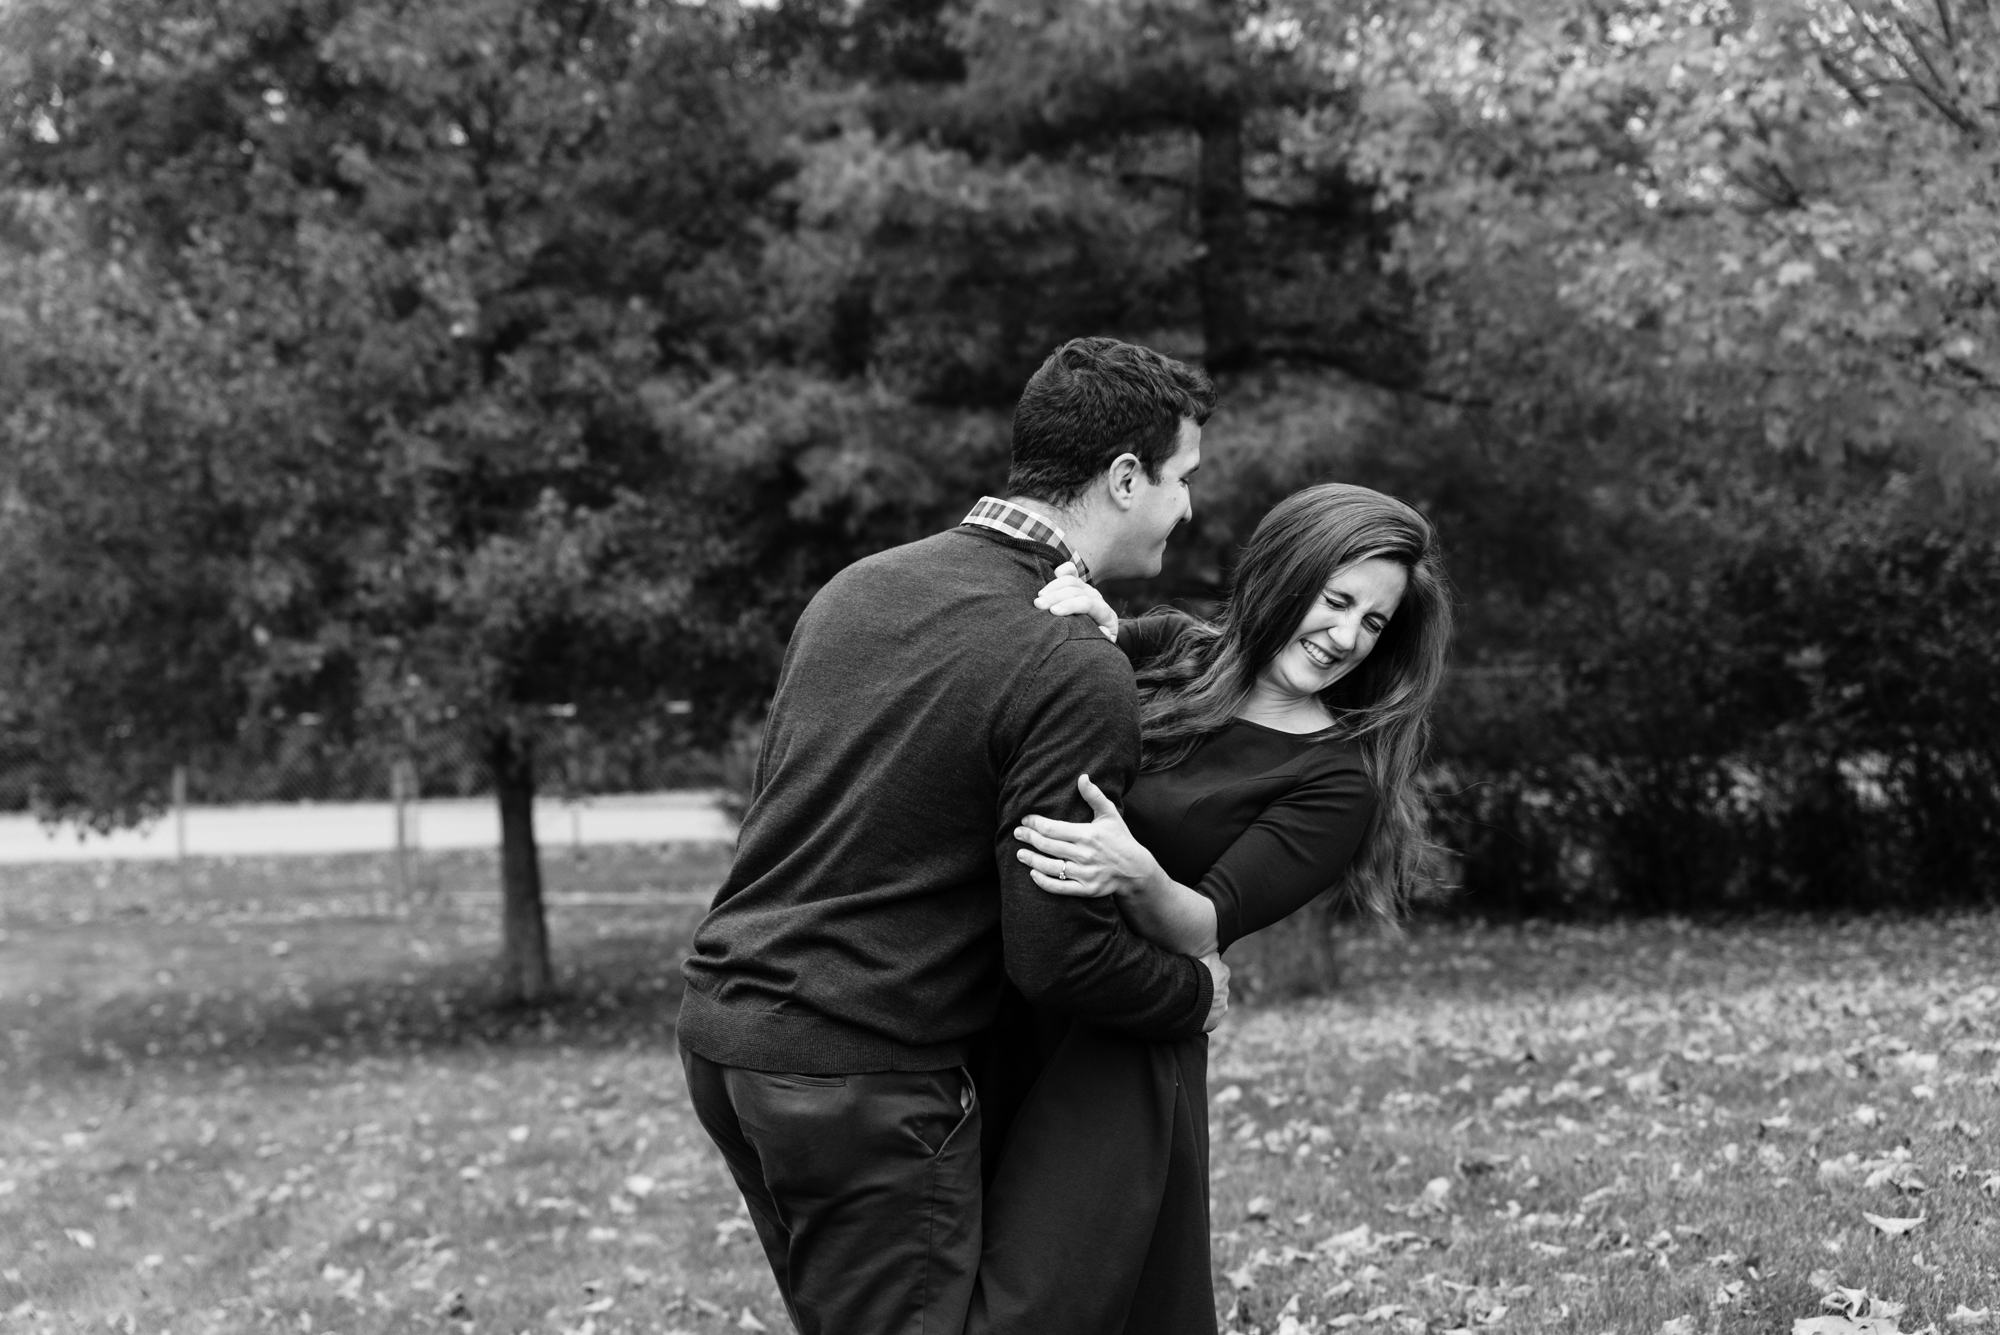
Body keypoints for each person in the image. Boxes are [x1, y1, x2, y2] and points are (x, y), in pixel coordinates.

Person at [675, 337, 1231, 1335]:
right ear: (1120, 476)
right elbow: (1056, 957)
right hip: (856, 1075)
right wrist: (1193, 990)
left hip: (727, 1044)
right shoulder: (1067, 662)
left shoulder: (859, 587)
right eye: (1180, 479)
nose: (1186, 506)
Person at [969, 482, 1454, 1335]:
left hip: (1118, 1050)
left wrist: (1134, 870)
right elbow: (1084, 662)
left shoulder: (1337, 782)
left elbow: (1205, 923)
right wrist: (1085, 611)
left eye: (1373, 623)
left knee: (1057, 1297)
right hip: (1007, 1002)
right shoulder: (1177, 650)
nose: (1345, 636)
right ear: (1283, 576)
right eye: (1336, 600)